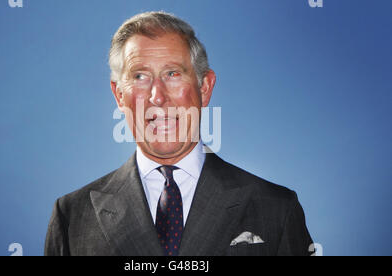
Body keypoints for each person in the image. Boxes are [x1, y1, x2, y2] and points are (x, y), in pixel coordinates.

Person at [44, 11, 313, 256]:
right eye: (140, 76)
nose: (157, 96)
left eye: (172, 73)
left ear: (205, 88)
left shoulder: (276, 209)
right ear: (119, 95)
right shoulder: (72, 217)